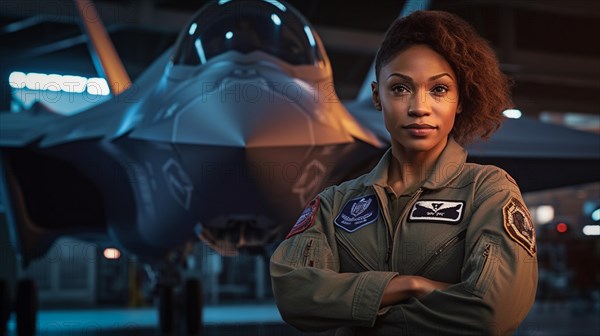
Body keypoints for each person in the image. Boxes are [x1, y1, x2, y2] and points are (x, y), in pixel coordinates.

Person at [270, 10, 538, 336]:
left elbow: (494, 311)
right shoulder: (335, 203)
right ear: (376, 96)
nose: (418, 107)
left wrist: (360, 314)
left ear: (460, 100)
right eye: (400, 88)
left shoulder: (488, 191)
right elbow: (293, 294)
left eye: (439, 89)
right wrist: (411, 286)